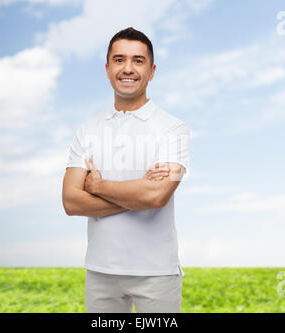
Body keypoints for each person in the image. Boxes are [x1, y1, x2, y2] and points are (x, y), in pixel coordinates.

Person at [62, 27, 190, 313]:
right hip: (100, 272)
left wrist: (97, 186)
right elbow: (70, 202)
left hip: (156, 273)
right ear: (107, 69)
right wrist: (136, 192)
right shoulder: (88, 130)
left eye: (138, 60)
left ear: (152, 70)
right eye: (119, 60)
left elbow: (156, 197)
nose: (128, 69)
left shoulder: (174, 129)